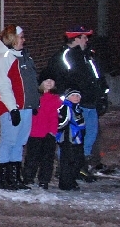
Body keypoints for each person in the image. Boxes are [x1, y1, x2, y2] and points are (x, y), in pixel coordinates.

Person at [44, 25, 108, 181]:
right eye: (84, 37)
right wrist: (68, 97)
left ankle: (81, 164)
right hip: (75, 104)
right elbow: (61, 80)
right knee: (71, 136)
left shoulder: (87, 56)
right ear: (75, 38)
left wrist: (101, 95)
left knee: (90, 134)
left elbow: (96, 76)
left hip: (90, 102)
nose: (87, 40)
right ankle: (65, 165)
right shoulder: (64, 57)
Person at [0, 25, 34, 190]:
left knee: (19, 142)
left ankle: (15, 177)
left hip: (25, 106)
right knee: (9, 141)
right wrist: (12, 108)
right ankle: (4, 179)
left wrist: (33, 101)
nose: (23, 40)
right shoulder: (5, 58)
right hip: (12, 107)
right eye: (21, 37)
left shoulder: (22, 57)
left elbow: (29, 83)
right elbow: (3, 86)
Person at [23, 72, 61, 190]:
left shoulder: (57, 100)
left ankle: (44, 180)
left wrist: (52, 132)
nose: (49, 82)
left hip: (48, 134)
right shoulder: (35, 98)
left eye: (51, 80)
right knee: (32, 157)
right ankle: (28, 177)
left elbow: (56, 117)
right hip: (34, 132)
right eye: (46, 80)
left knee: (47, 159)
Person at [57, 89, 87, 191]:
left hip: (77, 140)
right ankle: (65, 184)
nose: (76, 97)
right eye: (73, 95)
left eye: (78, 96)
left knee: (77, 161)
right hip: (68, 139)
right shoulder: (65, 107)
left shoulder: (78, 109)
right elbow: (61, 123)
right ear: (68, 97)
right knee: (67, 162)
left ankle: (72, 180)